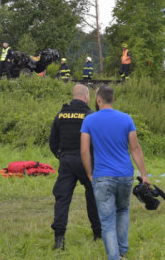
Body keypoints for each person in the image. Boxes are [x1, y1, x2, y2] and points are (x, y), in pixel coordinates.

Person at [81, 86, 149, 260]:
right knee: (123, 211)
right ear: (112, 99)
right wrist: (144, 175)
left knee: (107, 220)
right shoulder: (126, 119)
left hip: (102, 176)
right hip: (125, 175)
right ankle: (122, 252)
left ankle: (114, 257)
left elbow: (84, 151)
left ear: (98, 100)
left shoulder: (89, 120)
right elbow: (135, 148)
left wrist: (90, 174)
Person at [49, 84, 101, 250]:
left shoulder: (61, 114)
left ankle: (59, 239)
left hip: (66, 160)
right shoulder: (90, 115)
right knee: (93, 196)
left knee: (62, 199)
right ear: (86, 97)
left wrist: (60, 155)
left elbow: (53, 141)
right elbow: (97, 141)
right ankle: (98, 234)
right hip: (87, 161)